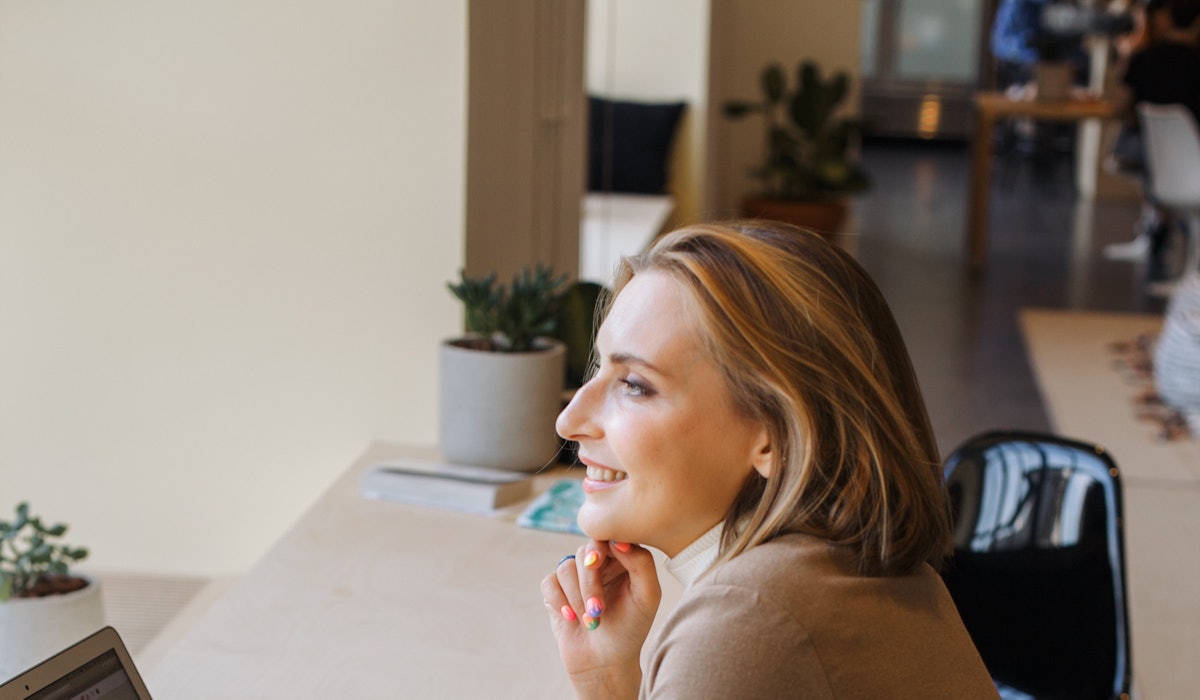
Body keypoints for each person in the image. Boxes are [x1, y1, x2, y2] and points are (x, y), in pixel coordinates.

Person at [540, 221, 998, 699]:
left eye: (634, 384)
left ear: (774, 434)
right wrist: (607, 681)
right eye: (599, 367)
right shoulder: (845, 574)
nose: (569, 421)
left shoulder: (748, 618)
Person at [1105, 0, 1200, 266]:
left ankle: (1160, 222)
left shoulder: (1143, 58)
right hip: (1192, 162)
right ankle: (1169, 227)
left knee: (1142, 145)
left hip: (1148, 156)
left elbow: (1119, 107)